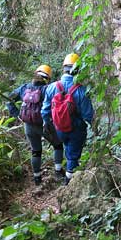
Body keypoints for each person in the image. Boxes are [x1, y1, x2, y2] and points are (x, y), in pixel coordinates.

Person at [7, 65, 65, 186]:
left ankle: (37, 178)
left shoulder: (24, 87)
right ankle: (58, 171)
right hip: (44, 125)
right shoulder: (47, 88)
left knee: (36, 151)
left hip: (28, 125)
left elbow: (9, 99)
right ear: (48, 77)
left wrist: (17, 115)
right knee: (58, 145)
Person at [41, 53, 94, 185]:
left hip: (59, 128)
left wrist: (47, 123)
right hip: (76, 129)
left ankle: (68, 174)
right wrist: (94, 126)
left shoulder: (52, 87)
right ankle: (69, 183)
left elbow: (45, 110)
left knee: (68, 149)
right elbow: (88, 114)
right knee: (73, 156)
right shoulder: (81, 90)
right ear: (77, 69)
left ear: (63, 68)